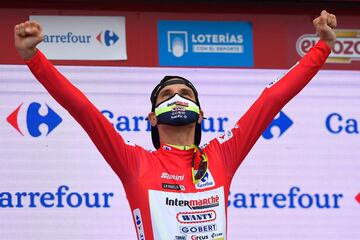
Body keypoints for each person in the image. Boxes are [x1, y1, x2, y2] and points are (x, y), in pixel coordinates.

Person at [14, 10, 337, 240]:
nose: (178, 98)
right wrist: (34, 58)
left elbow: (272, 100)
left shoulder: (222, 155)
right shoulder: (135, 162)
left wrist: (322, 47)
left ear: (201, 112)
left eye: (185, 93)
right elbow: (82, 109)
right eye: (167, 95)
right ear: (152, 118)